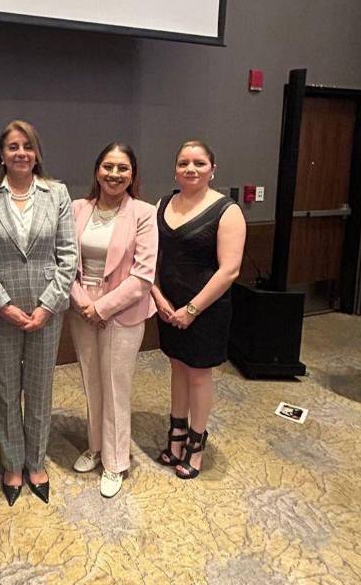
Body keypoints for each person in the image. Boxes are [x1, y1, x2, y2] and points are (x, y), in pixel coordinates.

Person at [0, 120, 77, 505]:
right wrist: (1, 304)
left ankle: (36, 461)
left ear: (37, 153)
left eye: (27, 146)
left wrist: (47, 306)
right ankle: (12, 463)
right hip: (1, 310)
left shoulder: (58, 194)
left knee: (38, 390)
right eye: (12, 147)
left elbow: (67, 257)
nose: (20, 153)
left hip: (46, 312)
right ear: (1, 154)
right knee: (4, 391)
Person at [151, 140, 246, 479]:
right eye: (184, 163)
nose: (191, 169)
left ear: (212, 169)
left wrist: (190, 310)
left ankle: (196, 442)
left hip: (206, 310)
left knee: (198, 374)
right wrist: (158, 297)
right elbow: (150, 258)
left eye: (199, 163)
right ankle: (175, 435)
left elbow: (229, 270)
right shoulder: (162, 203)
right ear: (175, 168)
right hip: (167, 307)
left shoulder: (227, 210)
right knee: (177, 366)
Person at [68, 143, 158, 498]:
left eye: (123, 168)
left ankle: (116, 461)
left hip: (123, 311)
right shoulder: (77, 208)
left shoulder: (143, 213)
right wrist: (82, 303)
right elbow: (64, 263)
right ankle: (95, 447)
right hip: (81, 307)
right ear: (96, 171)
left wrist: (102, 307)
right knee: (91, 381)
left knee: (115, 386)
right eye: (108, 166)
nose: (115, 174)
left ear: (133, 174)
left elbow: (143, 275)